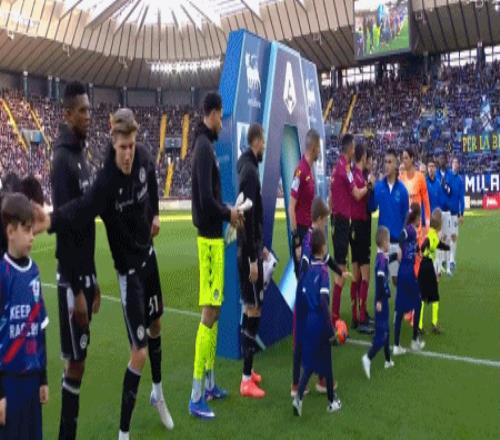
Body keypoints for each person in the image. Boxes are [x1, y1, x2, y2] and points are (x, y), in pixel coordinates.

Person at [35, 109, 173, 439]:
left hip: (149, 258)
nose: (128, 153)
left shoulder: (143, 157)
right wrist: (51, 220)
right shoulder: (106, 181)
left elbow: (152, 179)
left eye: (131, 145)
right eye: (122, 147)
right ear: (113, 142)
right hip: (129, 275)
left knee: (157, 324)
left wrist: (154, 212)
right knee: (138, 352)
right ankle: (123, 434)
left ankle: (158, 393)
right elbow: (81, 210)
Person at [51, 81, 101, 440]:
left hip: (84, 277)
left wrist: (93, 279)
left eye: (89, 109)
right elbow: (66, 229)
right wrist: (78, 291)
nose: (88, 115)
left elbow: (86, 227)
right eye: (82, 110)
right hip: (71, 280)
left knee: (78, 361)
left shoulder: (83, 156)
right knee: (76, 363)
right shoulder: (62, 162)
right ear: (67, 114)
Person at [189, 93, 241, 419]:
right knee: (209, 313)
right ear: (212, 113)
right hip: (208, 240)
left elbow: (210, 198)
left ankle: (208, 383)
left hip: (214, 239)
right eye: (221, 115)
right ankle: (196, 395)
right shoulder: (203, 148)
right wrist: (228, 213)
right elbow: (206, 200)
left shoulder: (206, 145)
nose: (222, 121)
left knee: (216, 309)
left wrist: (226, 211)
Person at [0, 193, 49, 440]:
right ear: (10, 231)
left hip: (32, 380)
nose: (32, 236)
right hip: (9, 382)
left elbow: (40, 329)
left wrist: (43, 378)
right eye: (27, 229)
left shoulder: (34, 273)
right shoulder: (3, 274)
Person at [292, 197, 349, 397]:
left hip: (309, 297)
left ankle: (319, 380)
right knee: (306, 339)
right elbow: (304, 265)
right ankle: (301, 384)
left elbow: (327, 259)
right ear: (317, 219)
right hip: (308, 299)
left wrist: (340, 272)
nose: (326, 224)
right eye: (324, 220)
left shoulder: (316, 237)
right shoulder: (310, 240)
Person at [292, 229, 342, 417]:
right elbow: (323, 301)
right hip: (320, 321)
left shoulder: (308, 270)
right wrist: (331, 329)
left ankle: (298, 397)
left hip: (308, 321)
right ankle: (331, 401)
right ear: (322, 248)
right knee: (326, 362)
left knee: (312, 362)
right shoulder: (322, 271)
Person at [237, 124, 268, 399]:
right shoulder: (249, 172)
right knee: (254, 310)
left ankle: (249, 371)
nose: (265, 146)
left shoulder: (248, 168)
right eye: (264, 141)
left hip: (252, 251)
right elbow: (245, 220)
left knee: (250, 309)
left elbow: (252, 216)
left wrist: (261, 248)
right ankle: (246, 379)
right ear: (256, 141)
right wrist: (253, 259)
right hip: (248, 255)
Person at [330, 134, 361, 326]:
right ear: (350, 149)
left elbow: (331, 197)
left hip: (338, 221)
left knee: (341, 267)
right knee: (340, 269)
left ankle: (335, 313)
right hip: (341, 222)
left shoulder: (336, 167)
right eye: (354, 147)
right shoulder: (345, 169)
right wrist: (369, 187)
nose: (355, 150)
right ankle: (334, 316)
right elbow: (356, 194)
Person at [369, 149, 409, 286]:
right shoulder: (379, 187)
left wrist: (402, 243)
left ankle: (401, 300)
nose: (387, 165)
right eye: (385, 162)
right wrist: (370, 191)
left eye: (390, 162)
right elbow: (372, 207)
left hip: (396, 243)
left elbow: (406, 217)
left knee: (396, 279)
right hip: (382, 244)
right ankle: (382, 300)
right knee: (381, 280)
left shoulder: (402, 190)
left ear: (396, 164)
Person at [362, 226, 396, 379]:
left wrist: (396, 256)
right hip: (381, 301)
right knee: (382, 335)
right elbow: (381, 280)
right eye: (388, 241)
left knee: (386, 330)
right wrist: (381, 300)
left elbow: (388, 259)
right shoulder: (381, 261)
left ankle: (388, 360)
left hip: (382, 299)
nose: (390, 243)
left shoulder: (381, 256)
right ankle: (368, 357)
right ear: (384, 242)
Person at [393, 203, 425, 356]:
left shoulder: (411, 231)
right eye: (420, 217)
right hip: (408, 272)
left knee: (400, 309)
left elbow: (412, 245)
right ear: (417, 217)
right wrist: (400, 249)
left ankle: (396, 345)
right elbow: (403, 236)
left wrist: (418, 251)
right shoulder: (410, 230)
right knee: (418, 302)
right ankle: (414, 340)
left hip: (402, 272)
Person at [349, 143, 374, 334]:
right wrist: (370, 185)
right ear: (363, 156)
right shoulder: (358, 176)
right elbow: (358, 196)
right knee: (365, 275)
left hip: (354, 227)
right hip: (361, 227)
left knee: (356, 274)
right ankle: (362, 317)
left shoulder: (355, 174)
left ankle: (356, 316)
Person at [289, 129, 321, 277]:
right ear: (313, 147)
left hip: (308, 233)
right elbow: (291, 207)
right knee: (303, 281)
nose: (319, 151)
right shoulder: (300, 171)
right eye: (318, 147)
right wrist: (297, 241)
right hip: (301, 234)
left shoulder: (308, 170)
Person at [418, 208, 450, 334]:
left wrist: (421, 251)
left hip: (423, 266)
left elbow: (433, 244)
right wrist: (448, 246)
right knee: (435, 296)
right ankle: (434, 324)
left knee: (422, 296)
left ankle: (419, 325)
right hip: (428, 266)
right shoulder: (433, 236)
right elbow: (430, 245)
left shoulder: (430, 234)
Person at [436, 151, 453, 275]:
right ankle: (439, 264)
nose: (442, 160)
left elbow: (451, 191)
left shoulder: (450, 175)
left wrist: (445, 185)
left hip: (447, 211)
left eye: (443, 158)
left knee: (447, 239)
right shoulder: (435, 175)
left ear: (446, 161)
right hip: (438, 212)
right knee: (438, 239)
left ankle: (447, 265)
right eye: (440, 158)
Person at [447, 158, 464, 275]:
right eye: (454, 162)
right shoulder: (446, 176)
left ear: (458, 166)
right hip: (445, 213)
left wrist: (461, 214)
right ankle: (446, 260)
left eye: (457, 163)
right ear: (451, 164)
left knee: (454, 237)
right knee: (445, 237)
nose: (455, 165)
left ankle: (452, 260)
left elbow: (461, 198)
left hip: (454, 214)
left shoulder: (460, 180)